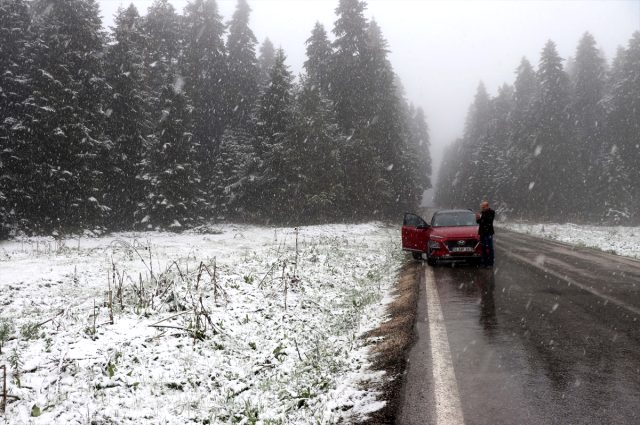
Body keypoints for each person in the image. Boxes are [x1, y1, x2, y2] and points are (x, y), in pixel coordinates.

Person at [475, 200, 495, 267]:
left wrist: (482, 215)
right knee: (483, 247)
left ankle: (490, 262)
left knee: (489, 248)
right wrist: (477, 218)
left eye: (483, 207)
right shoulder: (482, 213)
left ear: (487, 206)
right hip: (482, 233)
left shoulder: (491, 212)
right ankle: (484, 262)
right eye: (482, 207)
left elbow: (489, 221)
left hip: (488, 232)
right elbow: (479, 222)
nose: (482, 208)